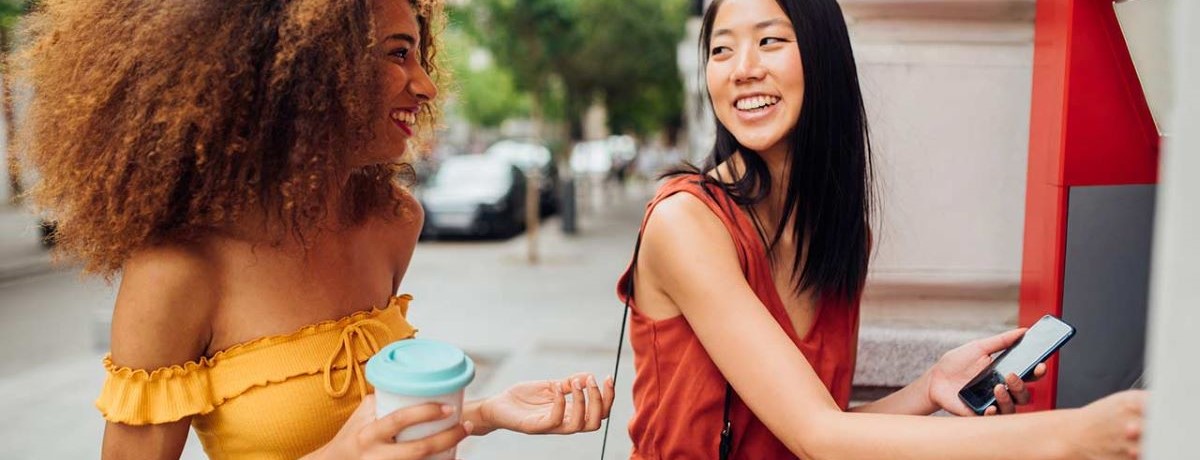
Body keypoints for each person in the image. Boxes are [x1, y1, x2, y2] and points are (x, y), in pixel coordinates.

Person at [19, 1, 613, 459]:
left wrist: (486, 412)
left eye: (420, 56)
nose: (426, 85)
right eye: (398, 53)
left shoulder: (393, 222)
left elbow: (373, 419)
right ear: (308, 68)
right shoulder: (178, 271)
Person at [616, 0, 1145, 458]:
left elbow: (815, 426)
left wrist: (929, 386)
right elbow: (818, 437)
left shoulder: (840, 236)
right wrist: (1072, 438)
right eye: (722, 50)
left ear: (823, 58)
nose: (742, 69)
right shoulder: (685, 222)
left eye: (770, 40)